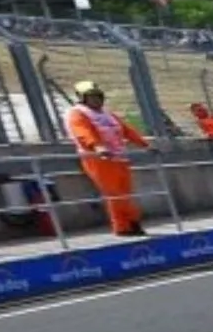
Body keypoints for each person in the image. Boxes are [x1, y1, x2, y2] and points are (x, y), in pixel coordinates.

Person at [63, 80, 150, 238]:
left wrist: (145, 145)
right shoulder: (78, 114)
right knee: (115, 193)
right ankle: (125, 226)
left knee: (125, 192)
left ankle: (132, 224)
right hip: (98, 159)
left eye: (97, 96)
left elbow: (126, 130)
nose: (95, 100)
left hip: (119, 157)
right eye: (91, 97)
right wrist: (97, 147)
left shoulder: (107, 114)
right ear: (82, 98)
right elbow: (82, 132)